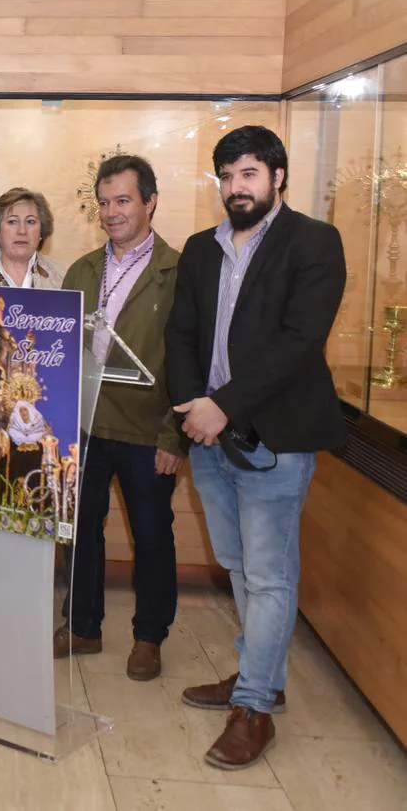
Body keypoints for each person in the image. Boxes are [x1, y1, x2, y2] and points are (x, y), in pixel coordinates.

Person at [166, 126, 345, 770]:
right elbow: (180, 333)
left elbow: (299, 342)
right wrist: (193, 405)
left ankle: (254, 710)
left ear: (277, 178)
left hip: (276, 438)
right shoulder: (199, 248)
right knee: (239, 567)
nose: (236, 187)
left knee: (269, 576)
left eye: (248, 173)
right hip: (208, 437)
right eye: (227, 175)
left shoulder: (314, 242)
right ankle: (259, 676)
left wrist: (225, 406)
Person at [55, 154, 185, 682]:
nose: (112, 212)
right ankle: (83, 626)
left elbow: (187, 359)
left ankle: (149, 636)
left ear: (150, 202)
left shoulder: (176, 273)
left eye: (123, 201)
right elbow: (61, 351)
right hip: (85, 426)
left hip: (146, 430)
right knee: (81, 531)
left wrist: (173, 436)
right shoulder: (82, 268)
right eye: (104, 202)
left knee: (152, 535)